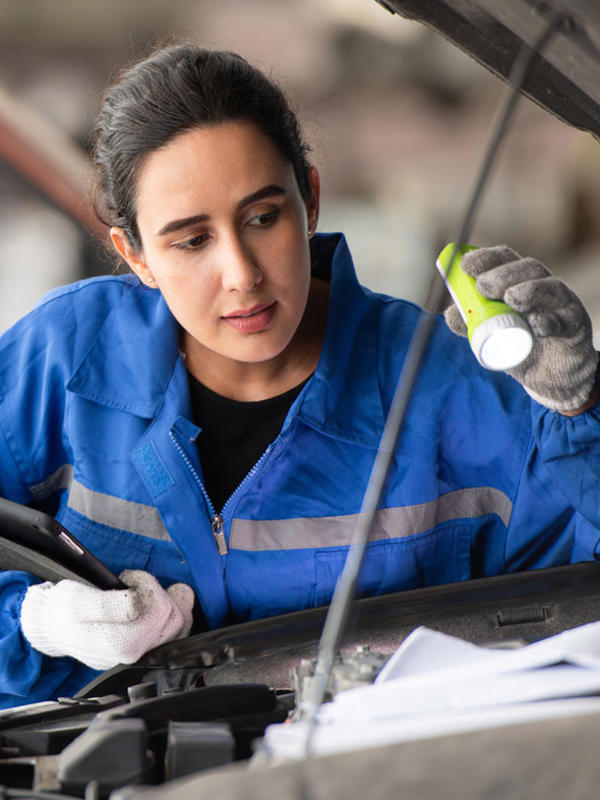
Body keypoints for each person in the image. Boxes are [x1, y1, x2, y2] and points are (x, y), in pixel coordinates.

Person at [0, 44, 599, 710]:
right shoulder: (61, 360)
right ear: (134, 255)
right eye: (191, 240)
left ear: (309, 200)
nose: (242, 273)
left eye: (262, 218)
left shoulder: (450, 389)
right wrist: (34, 622)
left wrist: (580, 407)